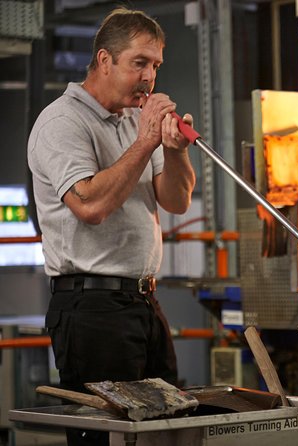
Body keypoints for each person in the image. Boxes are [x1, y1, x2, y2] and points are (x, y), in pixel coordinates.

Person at [27, 8, 196, 446]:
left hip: (142, 303)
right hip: (91, 311)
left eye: (156, 65)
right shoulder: (62, 122)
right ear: (104, 60)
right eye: (139, 62)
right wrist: (146, 140)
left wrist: (174, 150)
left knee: (167, 428)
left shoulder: (134, 121)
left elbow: (175, 201)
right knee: (103, 439)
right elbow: (90, 205)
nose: (150, 76)